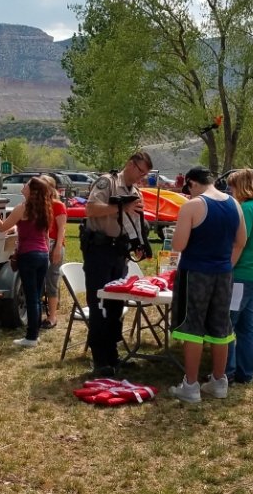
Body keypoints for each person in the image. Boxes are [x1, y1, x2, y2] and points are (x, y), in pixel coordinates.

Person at [168, 166, 245, 403]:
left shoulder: (192, 206)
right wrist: (226, 265)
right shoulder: (235, 204)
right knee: (221, 328)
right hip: (223, 274)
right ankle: (219, 381)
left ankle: (190, 385)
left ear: (191, 183)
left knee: (193, 328)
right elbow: (241, 241)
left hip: (196, 273)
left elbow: (178, 245)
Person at [81, 151, 153, 376]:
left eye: (145, 174)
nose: (142, 178)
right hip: (99, 252)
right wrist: (121, 208)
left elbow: (134, 220)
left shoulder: (135, 191)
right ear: (130, 164)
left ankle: (113, 355)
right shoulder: (108, 182)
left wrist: (140, 241)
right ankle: (99, 359)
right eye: (140, 171)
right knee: (99, 304)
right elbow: (91, 209)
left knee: (116, 306)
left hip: (119, 252)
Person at [0, 177, 55, 348]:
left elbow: (1, 227)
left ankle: (31, 337)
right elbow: (44, 236)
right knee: (36, 297)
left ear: (31, 191)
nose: (23, 187)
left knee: (31, 298)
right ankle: (35, 334)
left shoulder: (21, 208)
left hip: (28, 256)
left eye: (26, 185)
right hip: (43, 255)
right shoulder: (46, 209)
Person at [222, 168, 253, 385]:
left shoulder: (247, 209)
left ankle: (228, 371)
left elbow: (239, 242)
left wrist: (227, 266)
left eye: (232, 188)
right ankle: (246, 371)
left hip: (242, 273)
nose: (230, 192)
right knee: (247, 324)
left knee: (228, 323)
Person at [39, 174, 68, 329]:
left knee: (52, 279)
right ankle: (41, 311)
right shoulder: (35, 205)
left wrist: (57, 248)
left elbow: (62, 229)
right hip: (40, 245)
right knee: (40, 280)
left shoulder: (58, 205)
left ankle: (52, 317)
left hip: (53, 244)